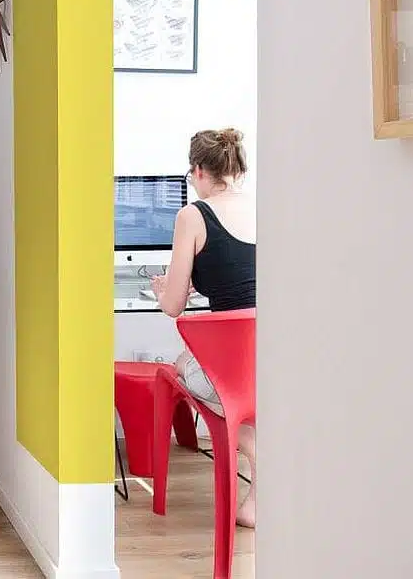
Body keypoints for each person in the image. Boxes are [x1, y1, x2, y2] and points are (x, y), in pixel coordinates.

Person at [150, 127, 257, 528]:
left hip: (228, 373)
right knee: (244, 386)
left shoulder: (193, 215)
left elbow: (174, 307)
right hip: (274, 362)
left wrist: (164, 289)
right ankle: (259, 489)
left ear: (197, 171)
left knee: (182, 362)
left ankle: (261, 458)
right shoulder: (264, 206)